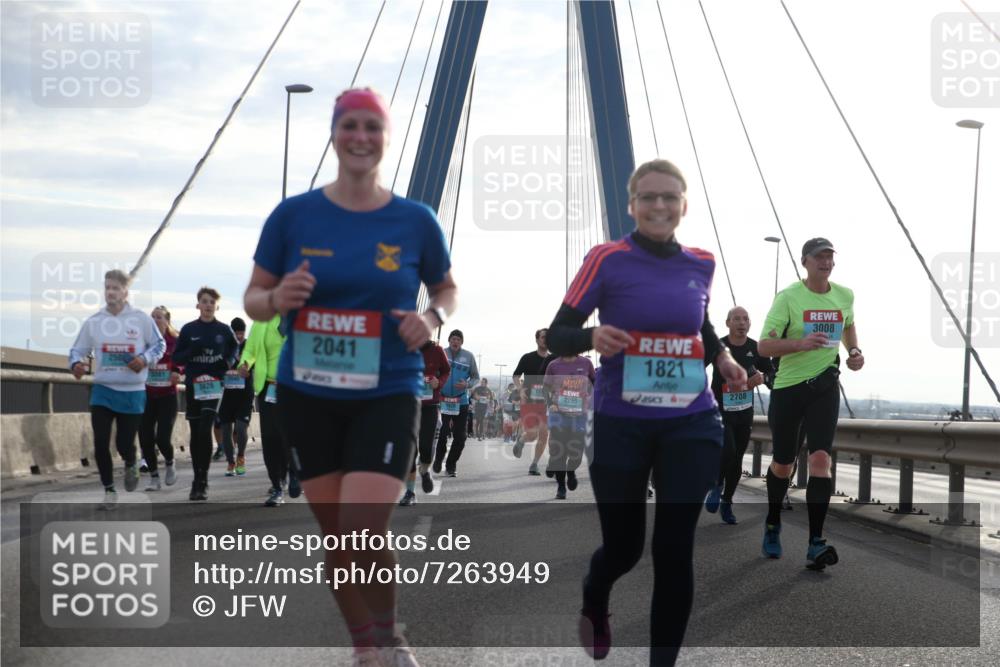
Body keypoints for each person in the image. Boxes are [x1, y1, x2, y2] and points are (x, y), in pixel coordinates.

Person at [244, 87, 456, 667]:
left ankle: (389, 637)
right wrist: (277, 296)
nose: (361, 137)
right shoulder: (293, 216)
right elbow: (255, 298)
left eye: (373, 127)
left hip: (386, 390)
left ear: (386, 138)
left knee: (364, 526)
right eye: (350, 126)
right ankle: (365, 644)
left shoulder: (415, 220)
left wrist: (430, 319)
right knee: (338, 537)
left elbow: (446, 289)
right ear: (335, 134)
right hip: (308, 394)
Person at [547, 159, 746, 666]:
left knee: (674, 551)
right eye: (649, 197)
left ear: (683, 205)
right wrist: (591, 336)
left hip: (690, 419)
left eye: (670, 197)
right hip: (622, 421)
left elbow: (699, 322)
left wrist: (721, 355)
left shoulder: (701, 262)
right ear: (632, 205)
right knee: (625, 549)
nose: (660, 206)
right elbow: (558, 334)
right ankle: (596, 592)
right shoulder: (606, 259)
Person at [757, 237, 864, 570]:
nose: (826, 262)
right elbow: (763, 347)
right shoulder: (788, 297)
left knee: (820, 460)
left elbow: (848, 324)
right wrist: (800, 343)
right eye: (820, 257)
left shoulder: (844, 294)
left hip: (825, 388)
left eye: (830, 256)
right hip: (789, 390)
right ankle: (773, 521)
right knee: (784, 464)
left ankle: (816, 542)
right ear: (805, 261)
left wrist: (854, 351)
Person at [69, 269, 165, 509]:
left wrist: (143, 359)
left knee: (124, 444)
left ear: (125, 291)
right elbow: (77, 350)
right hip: (103, 389)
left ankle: (131, 461)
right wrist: (76, 364)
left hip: (132, 392)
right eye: (107, 287)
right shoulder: (95, 321)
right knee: (100, 442)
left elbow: (159, 345)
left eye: (115, 288)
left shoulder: (141, 319)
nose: (110, 292)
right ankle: (109, 490)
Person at [704, 306, 772, 524]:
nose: (742, 323)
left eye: (745, 319)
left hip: (744, 412)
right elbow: (696, 367)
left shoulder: (756, 348)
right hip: (720, 409)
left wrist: (762, 377)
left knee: (737, 459)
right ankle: (716, 484)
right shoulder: (717, 346)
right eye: (736, 319)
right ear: (728, 323)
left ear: (749, 324)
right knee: (728, 450)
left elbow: (772, 374)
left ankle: (727, 502)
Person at [172, 286, 239, 501]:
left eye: (212, 302)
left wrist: (226, 362)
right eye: (204, 301)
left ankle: (204, 480)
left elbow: (234, 350)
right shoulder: (189, 330)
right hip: (193, 384)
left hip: (214, 385)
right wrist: (191, 351)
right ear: (198, 305)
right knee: (195, 431)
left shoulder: (224, 330)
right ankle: (197, 478)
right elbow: (177, 358)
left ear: (217, 306)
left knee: (205, 428)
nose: (208, 305)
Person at [237, 314, 294, 506]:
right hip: (268, 388)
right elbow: (251, 349)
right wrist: (244, 364)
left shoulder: (304, 316)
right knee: (270, 438)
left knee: (291, 436)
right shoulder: (262, 320)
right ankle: (277, 486)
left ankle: (294, 473)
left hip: (297, 389)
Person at [400, 339, 450, 506]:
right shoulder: (404, 348)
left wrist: (439, 383)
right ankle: (410, 492)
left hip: (430, 405)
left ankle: (425, 470)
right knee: (409, 450)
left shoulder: (437, 350)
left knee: (426, 448)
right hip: (408, 405)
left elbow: (446, 371)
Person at [139, 305, 181, 490]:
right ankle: (154, 478)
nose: (155, 320)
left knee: (163, 438)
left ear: (167, 321)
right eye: (152, 316)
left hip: (168, 396)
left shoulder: (174, 341)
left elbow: (182, 360)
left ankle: (170, 463)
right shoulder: (143, 341)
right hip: (147, 395)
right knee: (145, 438)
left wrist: (177, 371)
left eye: (159, 317)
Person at [543, 352, 595, 499]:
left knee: (577, 452)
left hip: (580, 415)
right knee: (559, 451)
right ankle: (561, 486)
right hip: (558, 414)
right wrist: (551, 403)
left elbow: (595, 383)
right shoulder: (553, 365)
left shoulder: (586, 363)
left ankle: (571, 471)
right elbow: (545, 388)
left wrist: (590, 400)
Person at [434, 330, 479, 477]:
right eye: (453, 339)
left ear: (462, 342)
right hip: (443, 399)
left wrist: (467, 385)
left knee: (461, 436)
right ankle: (439, 458)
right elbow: (433, 372)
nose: (455, 342)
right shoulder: (441, 353)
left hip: (461, 400)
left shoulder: (469, 356)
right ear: (449, 340)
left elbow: (475, 378)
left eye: (458, 339)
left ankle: (451, 465)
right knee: (443, 433)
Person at [511, 329, 555, 475]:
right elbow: (516, 376)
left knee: (543, 434)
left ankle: (534, 464)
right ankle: (522, 440)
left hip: (546, 403)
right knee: (532, 434)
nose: (545, 340)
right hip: (529, 401)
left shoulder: (553, 360)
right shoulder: (527, 358)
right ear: (537, 340)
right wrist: (520, 389)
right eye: (543, 337)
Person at [218, 317, 255, 477]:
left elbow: (256, 362)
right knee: (226, 428)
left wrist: (247, 366)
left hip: (245, 393)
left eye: (241, 333)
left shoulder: (249, 346)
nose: (239, 336)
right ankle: (230, 461)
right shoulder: (225, 347)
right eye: (236, 333)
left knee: (240, 427)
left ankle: (240, 456)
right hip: (227, 394)